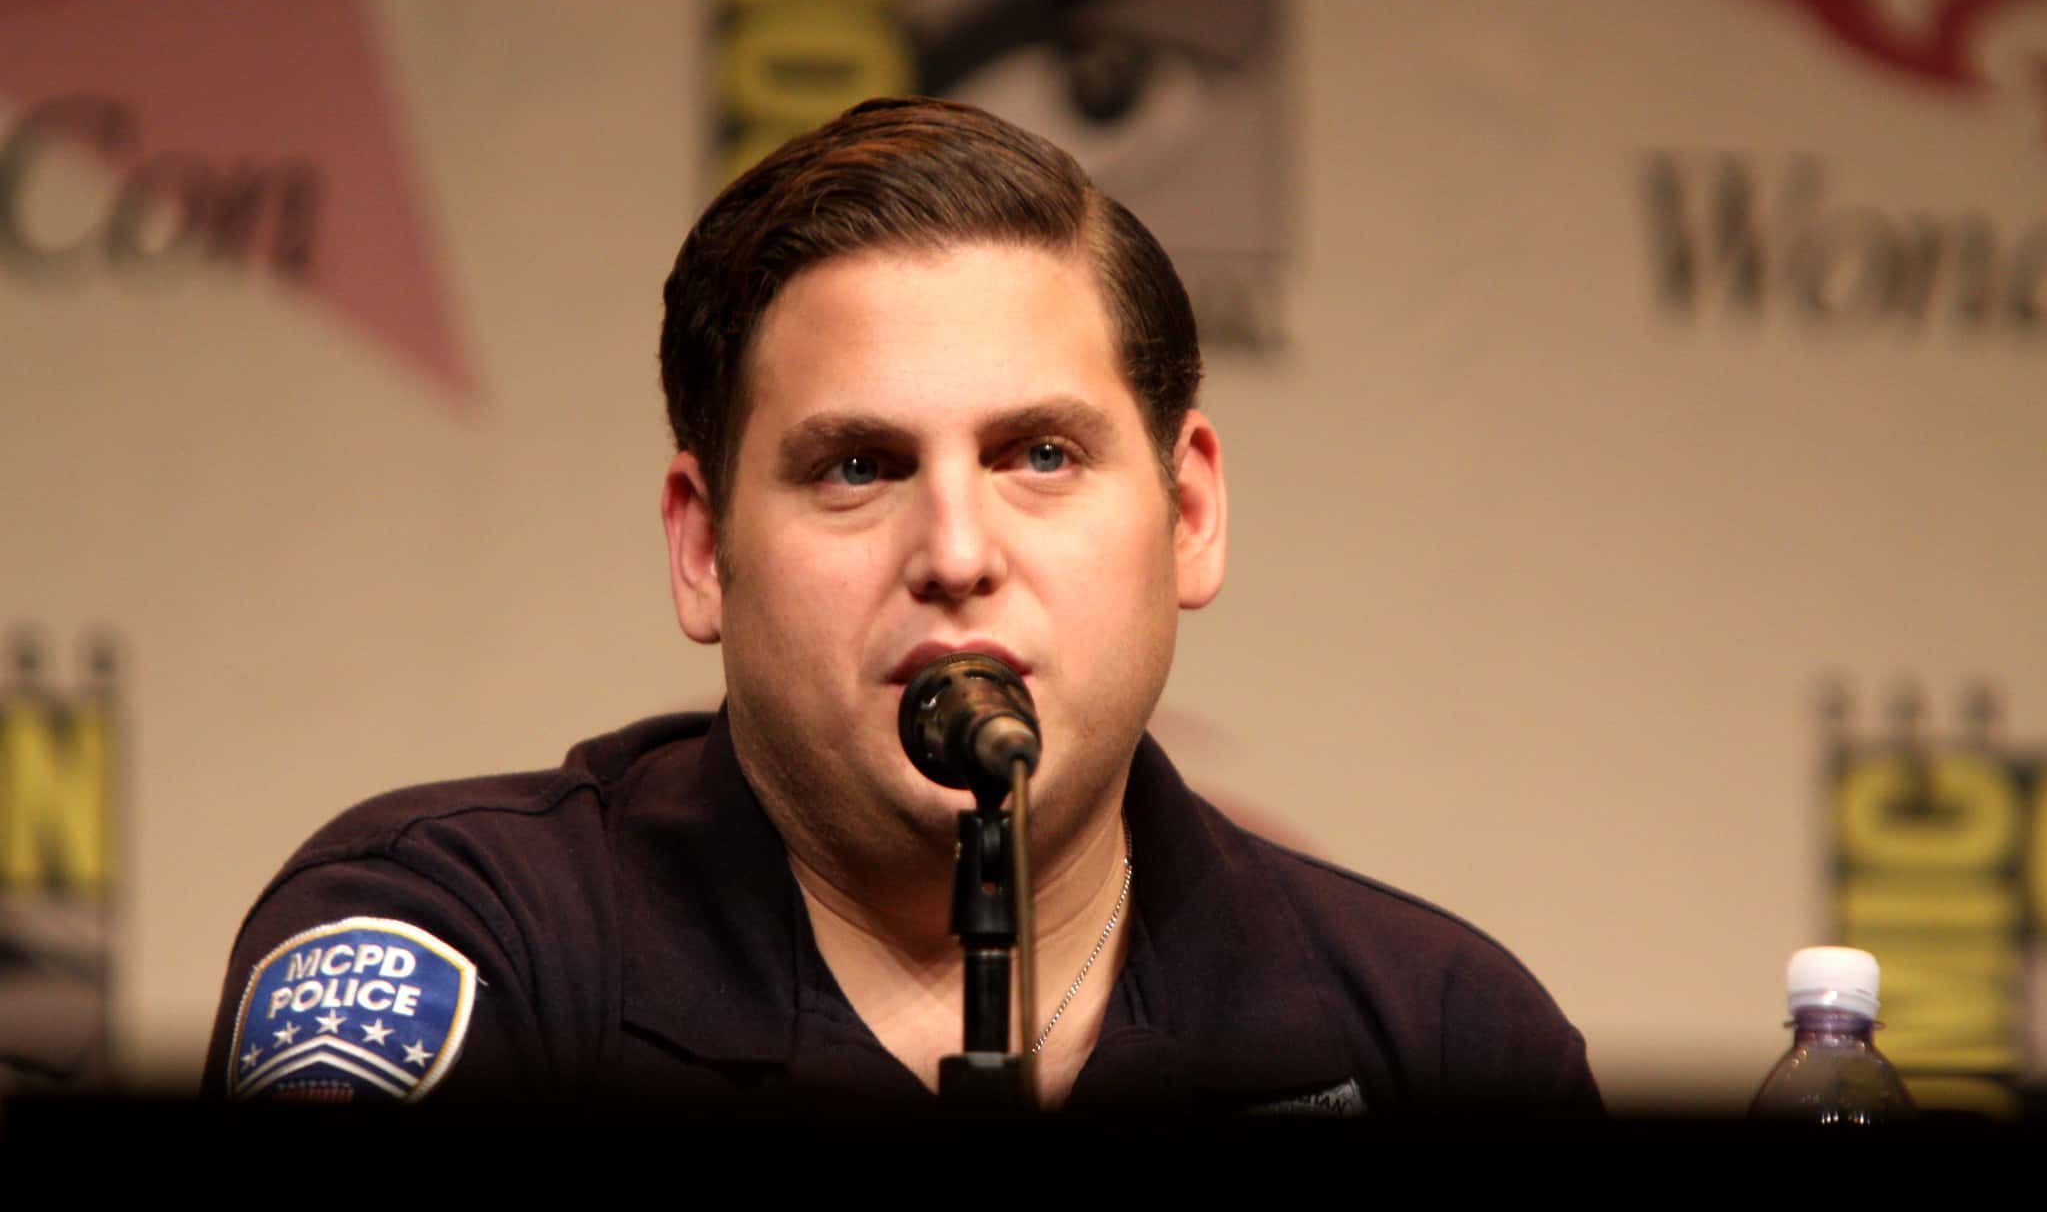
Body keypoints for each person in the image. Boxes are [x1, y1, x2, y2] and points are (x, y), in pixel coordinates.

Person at [203, 97, 1600, 1117]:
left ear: (1189, 514)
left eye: (1038, 455)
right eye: (858, 467)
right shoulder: (465, 934)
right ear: (703, 550)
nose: (955, 548)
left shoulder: (1439, 1031)